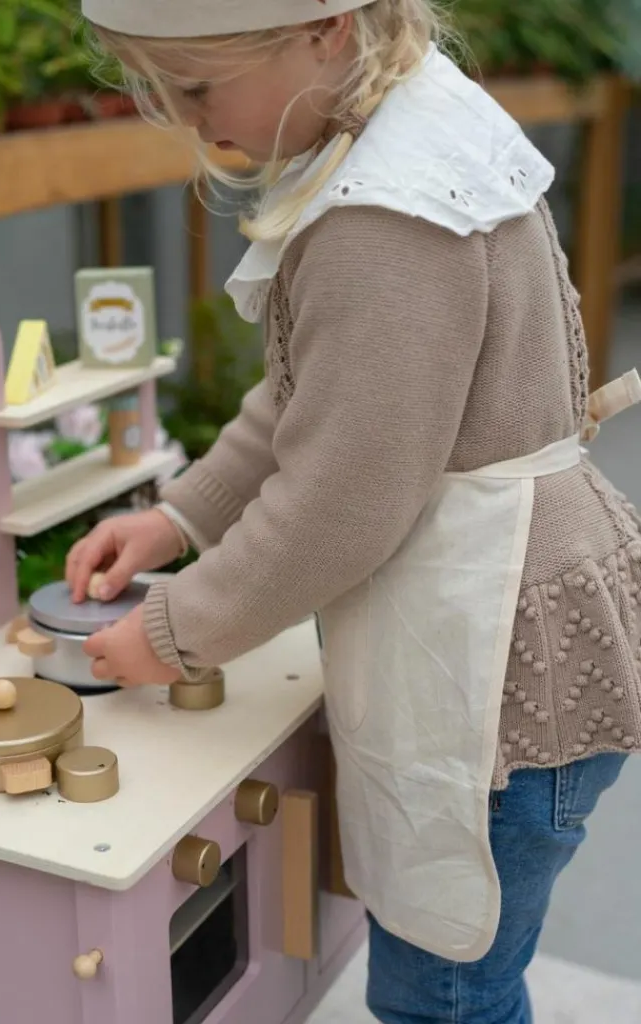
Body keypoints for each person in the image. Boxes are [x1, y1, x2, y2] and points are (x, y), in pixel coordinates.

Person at [63, 0, 641, 1021]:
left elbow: (339, 502)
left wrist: (175, 628)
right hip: (520, 634)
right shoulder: (408, 125)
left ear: (327, 28)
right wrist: (183, 516)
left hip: (494, 682)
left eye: (194, 86)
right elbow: (315, 396)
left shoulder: (385, 223)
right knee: (462, 974)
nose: (187, 118)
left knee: (444, 993)